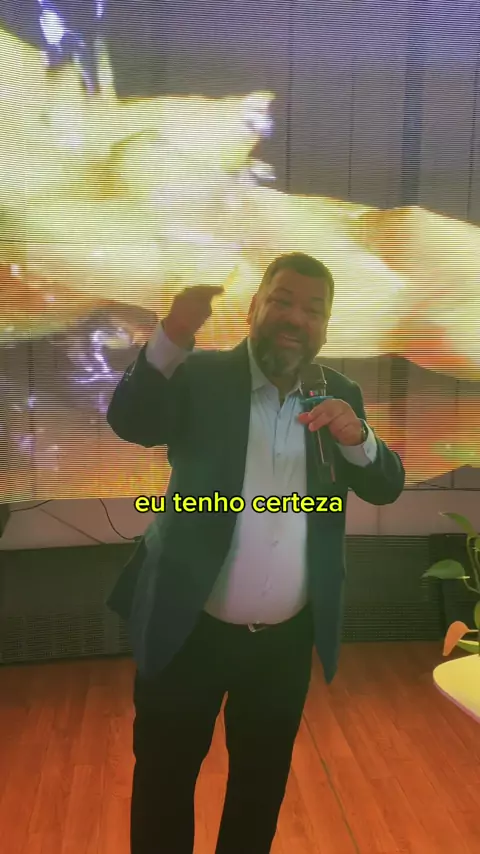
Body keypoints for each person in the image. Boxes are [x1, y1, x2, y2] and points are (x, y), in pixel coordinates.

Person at [106, 252, 405, 854]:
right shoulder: (200, 376)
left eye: (314, 310)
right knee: (164, 782)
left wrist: (359, 439)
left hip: (284, 645)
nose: (296, 318)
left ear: (326, 327)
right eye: (283, 301)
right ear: (253, 308)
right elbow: (133, 421)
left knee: (259, 789)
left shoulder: (339, 394)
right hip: (187, 629)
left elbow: (384, 486)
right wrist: (172, 337)